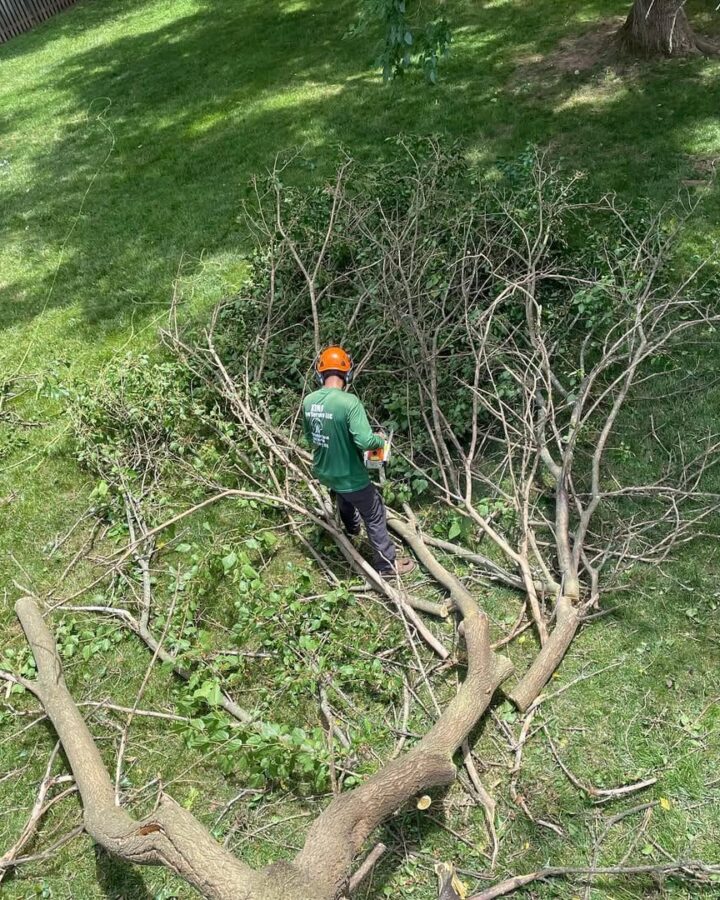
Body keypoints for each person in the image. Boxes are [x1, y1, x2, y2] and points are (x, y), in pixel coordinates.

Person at [303, 346, 415, 577]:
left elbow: (310, 437)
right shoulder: (349, 402)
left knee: (343, 494)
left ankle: (351, 528)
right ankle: (386, 565)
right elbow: (365, 441)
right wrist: (380, 440)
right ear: (347, 373)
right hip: (350, 475)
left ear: (320, 373)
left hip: (325, 471)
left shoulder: (309, 401)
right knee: (374, 511)